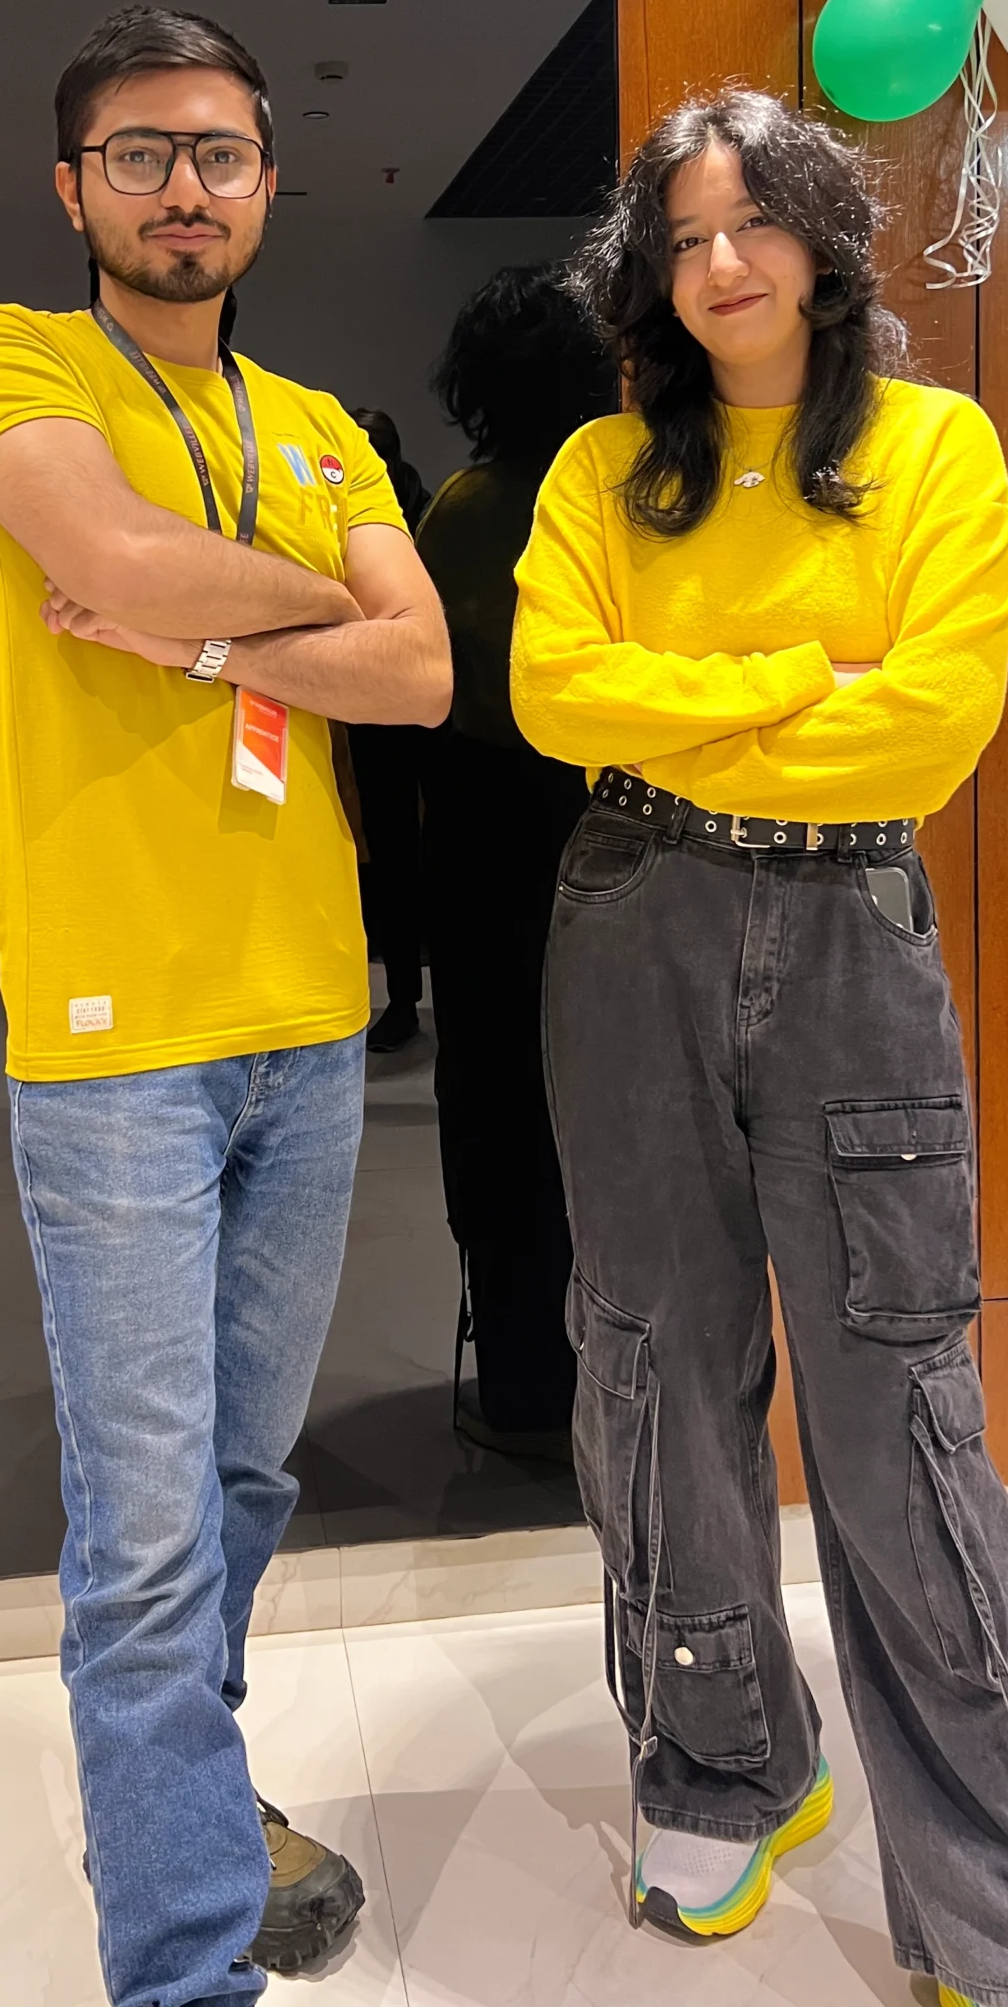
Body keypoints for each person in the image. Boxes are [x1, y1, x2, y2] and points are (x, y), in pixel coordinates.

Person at [511, 90, 1008, 2007]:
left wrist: (681, 704)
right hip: (630, 924)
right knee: (650, 1366)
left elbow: (931, 726)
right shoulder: (602, 471)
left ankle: (996, 1897)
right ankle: (726, 1765)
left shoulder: (936, 447)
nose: (722, 264)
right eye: (683, 238)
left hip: (850, 930)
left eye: (754, 221)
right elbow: (551, 695)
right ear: (646, 275)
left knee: (893, 1394)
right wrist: (793, 678)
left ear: (826, 239)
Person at [0, 3, 451, 2007]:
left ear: (266, 182)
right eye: (139, 154)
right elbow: (107, 558)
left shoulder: (319, 420)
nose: (183, 188)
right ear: (72, 187)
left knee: (242, 1482)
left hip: (307, 1021)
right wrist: (312, 600)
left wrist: (207, 621)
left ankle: (191, 1802)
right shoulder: (15, 359)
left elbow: (425, 672)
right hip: (115, 1040)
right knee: (146, 1524)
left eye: (218, 152)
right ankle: (181, 1966)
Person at [414, 266, 614, 1451]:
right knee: (609, 1091)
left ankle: (525, 1383)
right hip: (608, 814)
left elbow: (425, 689)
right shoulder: (623, 493)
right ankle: (619, 1387)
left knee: (494, 1087)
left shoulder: (464, 509)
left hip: (482, 826)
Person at [345, 407, 430, 1051]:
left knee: (421, 856)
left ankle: (411, 999)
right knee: (394, 855)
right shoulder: (348, 518)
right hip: (375, 711)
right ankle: (402, 998)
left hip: (433, 710)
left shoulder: (428, 516)